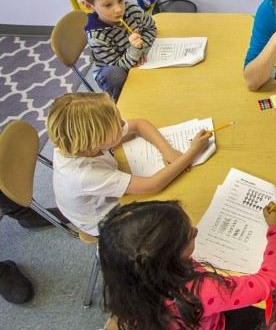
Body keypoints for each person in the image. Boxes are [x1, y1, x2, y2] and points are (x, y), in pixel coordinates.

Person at [98, 199, 276, 330]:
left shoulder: (128, 282)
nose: (196, 231)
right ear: (170, 259)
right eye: (188, 237)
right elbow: (271, 281)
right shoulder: (200, 291)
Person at [46, 92, 211, 236]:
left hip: (89, 200)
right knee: (172, 215)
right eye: (118, 126)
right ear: (96, 140)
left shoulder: (73, 142)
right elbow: (152, 185)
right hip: (103, 220)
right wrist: (192, 152)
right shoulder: (84, 175)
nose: (123, 125)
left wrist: (166, 149)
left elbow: (139, 124)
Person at [75, 0, 157, 101]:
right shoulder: (96, 36)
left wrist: (142, 49)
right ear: (89, 6)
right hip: (112, 70)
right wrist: (135, 51)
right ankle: (120, 104)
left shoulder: (132, 11)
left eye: (120, 0)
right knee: (115, 75)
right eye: (108, 5)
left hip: (134, 56)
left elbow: (151, 28)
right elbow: (118, 66)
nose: (119, 9)